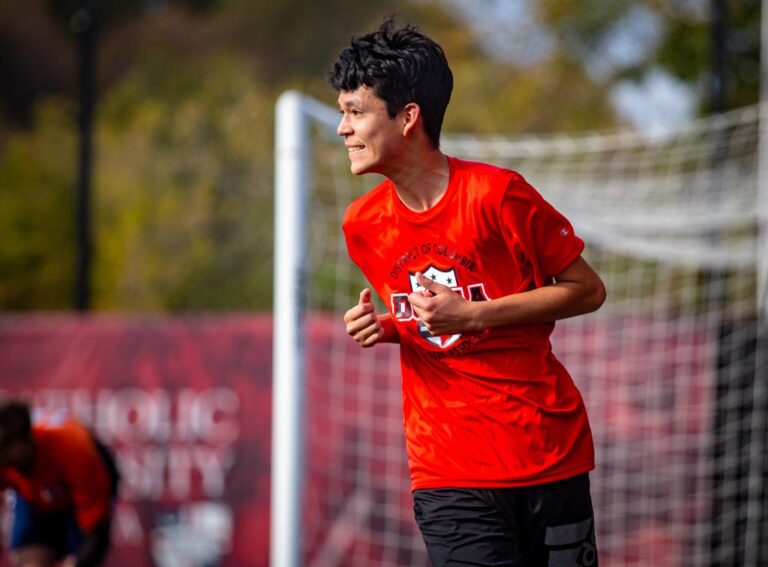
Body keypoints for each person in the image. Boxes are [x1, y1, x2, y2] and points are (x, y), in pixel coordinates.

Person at [330, 18, 606, 567]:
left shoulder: (498, 194)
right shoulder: (362, 224)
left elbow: (587, 290)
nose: (342, 129)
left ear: (409, 117)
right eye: (342, 111)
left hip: (548, 451)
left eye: (356, 111)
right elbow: (430, 320)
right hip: (448, 470)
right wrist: (387, 326)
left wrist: (474, 315)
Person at [0, 399, 120, 567]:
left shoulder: (72, 451)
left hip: (82, 495)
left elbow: (95, 525)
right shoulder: (9, 455)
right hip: (35, 497)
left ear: (18, 447)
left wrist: (80, 560)